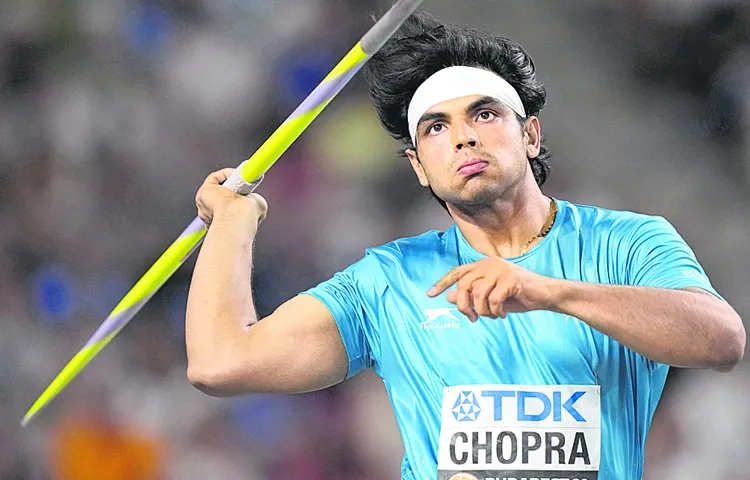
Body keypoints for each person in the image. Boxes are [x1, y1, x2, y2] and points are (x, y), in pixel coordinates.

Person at [184, 12, 746, 480]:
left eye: (484, 113)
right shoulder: (388, 281)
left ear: (530, 134)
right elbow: (220, 363)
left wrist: (550, 292)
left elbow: (721, 339)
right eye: (435, 127)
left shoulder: (626, 243)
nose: (463, 137)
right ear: (418, 167)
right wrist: (233, 221)